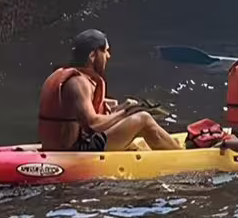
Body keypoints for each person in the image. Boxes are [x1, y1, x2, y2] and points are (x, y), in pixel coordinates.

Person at [38, 29, 180, 152]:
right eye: (105, 51)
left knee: (133, 120)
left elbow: (79, 114)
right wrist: (125, 113)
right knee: (144, 119)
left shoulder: (65, 76)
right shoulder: (78, 83)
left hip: (57, 146)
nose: (108, 56)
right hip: (77, 150)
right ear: (93, 56)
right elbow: (92, 124)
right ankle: (180, 155)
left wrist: (119, 108)